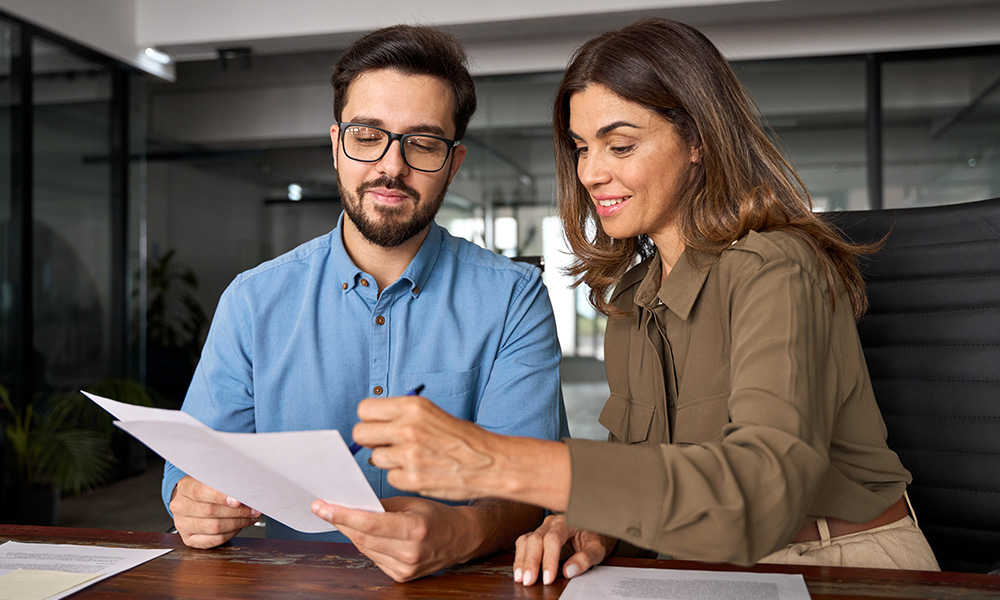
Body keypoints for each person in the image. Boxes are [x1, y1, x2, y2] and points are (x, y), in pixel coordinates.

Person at [349, 17, 940, 587]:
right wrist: (597, 525)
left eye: (620, 145)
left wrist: (498, 462)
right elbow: (656, 487)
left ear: (698, 141)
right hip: (706, 569)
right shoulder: (633, 301)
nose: (591, 173)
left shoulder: (778, 268)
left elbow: (761, 493)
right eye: (581, 148)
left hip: (841, 561)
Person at [161, 24, 566, 582]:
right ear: (336, 145)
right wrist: (190, 499)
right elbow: (191, 466)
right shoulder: (253, 301)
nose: (391, 166)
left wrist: (459, 533)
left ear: (454, 161)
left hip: (462, 589)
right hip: (294, 587)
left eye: (422, 143)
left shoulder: (513, 299)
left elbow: (532, 488)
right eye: (368, 135)